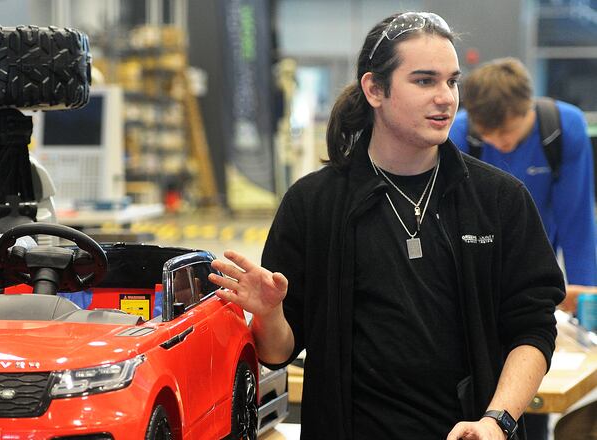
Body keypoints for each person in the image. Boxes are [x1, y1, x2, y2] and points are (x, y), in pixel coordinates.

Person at [208, 11, 565, 440]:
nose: (446, 97)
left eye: (452, 81)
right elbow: (278, 351)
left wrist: (497, 420)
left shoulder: (499, 200)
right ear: (374, 89)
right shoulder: (314, 204)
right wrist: (269, 313)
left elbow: (533, 327)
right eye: (424, 81)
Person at [449, 58, 597, 288]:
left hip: (538, 257)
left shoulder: (564, 128)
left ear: (529, 106)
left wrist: (587, 298)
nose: (499, 142)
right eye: (488, 134)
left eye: (507, 130)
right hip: (479, 260)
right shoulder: (459, 135)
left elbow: (577, 224)